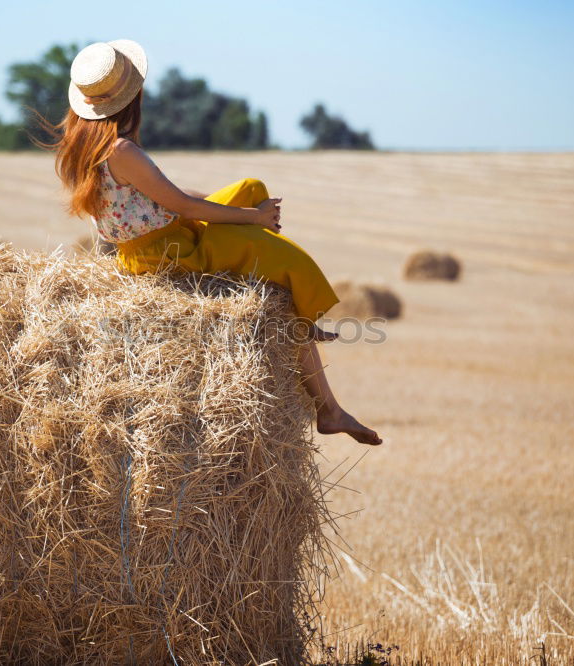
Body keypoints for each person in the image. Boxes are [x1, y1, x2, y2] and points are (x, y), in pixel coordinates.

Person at [37, 39, 381, 446]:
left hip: (151, 244)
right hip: (170, 253)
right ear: (133, 99)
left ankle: (301, 319)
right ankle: (323, 389)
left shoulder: (85, 147)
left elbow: (165, 195)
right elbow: (180, 204)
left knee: (250, 187)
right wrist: (254, 219)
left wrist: (234, 205)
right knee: (282, 257)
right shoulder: (123, 150)